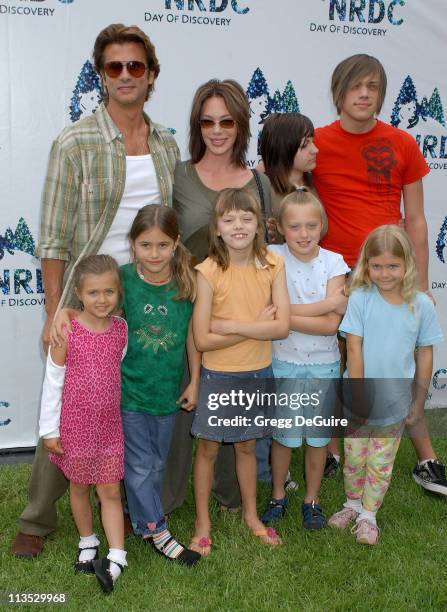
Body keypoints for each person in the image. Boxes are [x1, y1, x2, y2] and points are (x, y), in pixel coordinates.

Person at [12, 23, 179, 558]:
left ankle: (135, 504)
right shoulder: (75, 141)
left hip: (146, 290)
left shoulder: (166, 143)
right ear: (101, 75)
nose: (125, 75)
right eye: (114, 67)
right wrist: (56, 309)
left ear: (151, 75)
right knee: (69, 406)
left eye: (136, 66)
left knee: (135, 400)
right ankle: (37, 521)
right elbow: (55, 237)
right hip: (90, 294)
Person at [312, 54, 447, 492]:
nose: (364, 94)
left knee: (396, 366)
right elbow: (278, 178)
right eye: (355, 86)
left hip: (388, 272)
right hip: (336, 273)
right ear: (338, 93)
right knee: (336, 363)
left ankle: (425, 458)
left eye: (372, 86)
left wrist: (421, 287)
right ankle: (333, 451)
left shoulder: (402, 143)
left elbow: (419, 219)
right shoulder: (315, 143)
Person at [51, 206, 202, 566]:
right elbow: (93, 304)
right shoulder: (121, 279)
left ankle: (142, 521)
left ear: (176, 243)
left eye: (162, 245)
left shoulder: (186, 283)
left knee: (156, 465)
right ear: (132, 244)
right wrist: (65, 312)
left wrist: (195, 380)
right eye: (145, 245)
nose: (154, 254)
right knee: (137, 466)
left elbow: (193, 337)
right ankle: (157, 529)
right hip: (127, 395)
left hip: (166, 393)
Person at [164, 79, 273, 515]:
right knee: (180, 409)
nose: (217, 130)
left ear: (241, 123)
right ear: (196, 125)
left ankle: (232, 499)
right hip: (182, 305)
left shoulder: (260, 183)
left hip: (237, 311)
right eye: (206, 121)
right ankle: (167, 499)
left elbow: (278, 242)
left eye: (226, 120)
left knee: (233, 401)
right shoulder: (178, 175)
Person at [189, 187, 289, 555]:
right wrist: (252, 324)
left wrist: (229, 326)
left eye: (246, 218)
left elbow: (281, 328)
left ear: (260, 225)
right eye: (229, 219)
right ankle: (202, 523)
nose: (238, 226)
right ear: (216, 228)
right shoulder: (208, 270)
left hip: (257, 370)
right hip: (218, 375)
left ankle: (251, 515)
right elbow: (201, 338)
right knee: (208, 450)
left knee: (247, 446)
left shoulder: (273, 265)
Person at [328, 225, 443, 544]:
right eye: (376, 266)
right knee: (354, 458)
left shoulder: (421, 305)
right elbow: (353, 347)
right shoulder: (361, 297)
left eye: (393, 265)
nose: (384, 273)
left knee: (380, 462)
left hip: (394, 402)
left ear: (408, 264)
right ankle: (351, 504)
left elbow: (425, 354)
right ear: (366, 264)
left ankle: (368, 515)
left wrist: (418, 402)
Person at [260, 188, 349, 529]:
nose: (304, 234)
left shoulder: (333, 262)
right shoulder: (272, 257)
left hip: (323, 365)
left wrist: (282, 315)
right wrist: (326, 305)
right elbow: (325, 312)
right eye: (295, 226)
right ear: (280, 227)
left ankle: (312, 499)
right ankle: (278, 495)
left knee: (317, 438)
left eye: (311, 225)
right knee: (283, 436)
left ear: (323, 226)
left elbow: (330, 326)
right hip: (283, 362)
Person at [39, 255, 128, 592]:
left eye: (109, 292)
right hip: (74, 427)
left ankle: (117, 553)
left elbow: (114, 368)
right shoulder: (67, 332)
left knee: (109, 489)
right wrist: (50, 430)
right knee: (79, 487)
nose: (101, 299)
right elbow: (53, 382)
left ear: (118, 293)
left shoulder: (121, 330)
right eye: (93, 293)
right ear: (78, 292)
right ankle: (87, 541)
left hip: (108, 427)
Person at [260, 112, 319, 216]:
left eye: (313, 141)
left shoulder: (319, 182)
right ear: (283, 148)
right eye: (305, 144)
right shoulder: (261, 191)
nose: (315, 150)